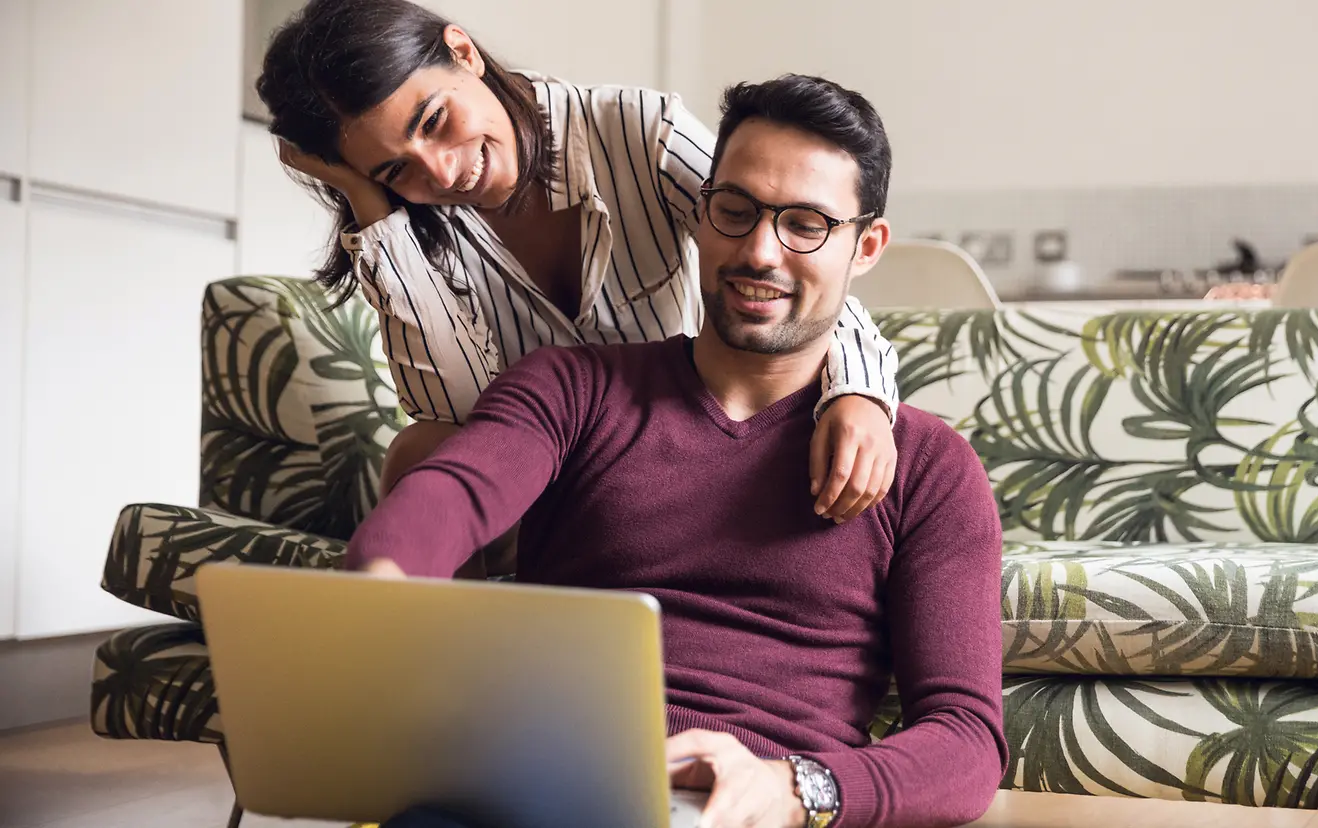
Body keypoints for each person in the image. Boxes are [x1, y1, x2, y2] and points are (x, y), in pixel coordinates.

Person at [347, 74, 1007, 828]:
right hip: (540, 790)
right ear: (700, 215)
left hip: (756, 811)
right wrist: (376, 587)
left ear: (867, 247)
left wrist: (797, 789)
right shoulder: (574, 390)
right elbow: (455, 494)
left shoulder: (928, 467)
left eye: (807, 225)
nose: (760, 252)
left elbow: (965, 743)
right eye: (736, 211)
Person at [255, 0, 900, 534]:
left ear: (463, 52)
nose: (444, 172)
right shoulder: (408, 227)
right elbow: (454, 416)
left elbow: (787, 254)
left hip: (686, 446)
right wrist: (373, 206)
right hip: (545, 479)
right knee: (420, 452)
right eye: (395, 168)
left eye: (435, 120)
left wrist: (861, 393)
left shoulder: (638, 133)